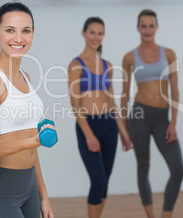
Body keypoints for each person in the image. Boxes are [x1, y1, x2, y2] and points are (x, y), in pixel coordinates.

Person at [0, 2, 55, 218]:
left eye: (25, 31)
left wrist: (43, 196)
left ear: (33, 33)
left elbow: (32, 149)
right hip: (1, 187)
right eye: (10, 30)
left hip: (30, 187)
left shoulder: (25, 77)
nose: (18, 38)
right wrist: (32, 141)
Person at [121, 10, 183, 218]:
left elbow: (175, 91)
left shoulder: (169, 54)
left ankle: (166, 214)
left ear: (156, 27)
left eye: (151, 25)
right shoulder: (130, 57)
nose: (147, 30)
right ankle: (150, 215)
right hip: (139, 115)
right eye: (143, 26)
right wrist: (123, 128)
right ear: (138, 28)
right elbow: (124, 94)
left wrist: (173, 122)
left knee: (178, 170)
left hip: (162, 117)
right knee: (143, 166)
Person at [68, 17, 132, 218]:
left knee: (105, 181)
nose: (96, 37)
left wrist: (123, 131)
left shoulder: (108, 65)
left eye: (100, 33)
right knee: (98, 181)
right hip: (89, 125)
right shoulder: (76, 65)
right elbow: (75, 105)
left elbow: (111, 101)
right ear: (84, 33)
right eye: (92, 32)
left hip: (109, 126)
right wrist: (88, 135)